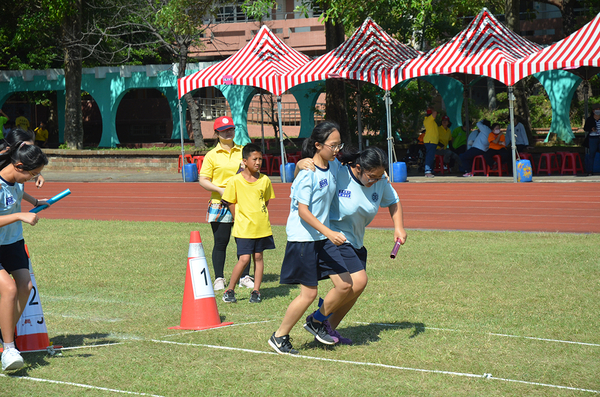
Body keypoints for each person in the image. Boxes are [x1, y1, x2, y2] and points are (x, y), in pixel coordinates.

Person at [296, 146, 407, 345]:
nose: (375, 180)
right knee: (359, 281)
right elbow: (309, 176)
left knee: (354, 290)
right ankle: (317, 319)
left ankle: (327, 328)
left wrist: (398, 227)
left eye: (379, 176)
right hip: (335, 237)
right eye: (371, 176)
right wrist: (298, 165)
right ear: (358, 168)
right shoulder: (339, 173)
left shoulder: (380, 181)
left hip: (356, 241)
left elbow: (394, 201)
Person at [268, 121, 352, 355]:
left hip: (321, 237)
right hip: (304, 238)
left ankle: (316, 321)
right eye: (333, 145)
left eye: (339, 145)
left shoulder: (333, 166)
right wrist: (329, 233)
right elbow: (303, 211)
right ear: (317, 145)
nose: (337, 150)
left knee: (345, 285)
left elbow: (355, 163)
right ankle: (279, 336)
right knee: (309, 294)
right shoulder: (308, 173)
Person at [0, 141, 49, 371]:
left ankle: (3, 332)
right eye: (32, 173)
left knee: (25, 286)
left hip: (13, 242)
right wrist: (21, 215)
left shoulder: (16, 178)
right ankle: (9, 349)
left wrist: (36, 202)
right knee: (8, 290)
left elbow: (20, 190)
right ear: (19, 165)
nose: (33, 178)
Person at [198, 116, 253, 291]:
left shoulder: (243, 150)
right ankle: (219, 278)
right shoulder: (211, 155)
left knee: (244, 241)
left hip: (241, 202)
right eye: (224, 130)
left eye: (230, 129)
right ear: (216, 133)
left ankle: (245, 277)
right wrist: (222, 191)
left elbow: (251, 172)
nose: (228, 132)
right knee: (220, 242)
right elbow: (203, 179)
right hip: (219, 203)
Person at [221, 143, 275, 304]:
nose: (258, 162)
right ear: (244, 161)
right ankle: (230, 289)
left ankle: (256, 291)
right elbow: (230, 201)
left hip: (261, 227)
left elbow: (265, 201)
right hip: (244, 228)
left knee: (258, 257)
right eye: (254, 159)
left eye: (260, 159)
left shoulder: (265, 180)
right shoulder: (235, 181)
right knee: (244, 259)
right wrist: (238, 217)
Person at [583, 104, 600, 175]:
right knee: (591, 155)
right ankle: (590, 171)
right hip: (593, 138)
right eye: (597, 109)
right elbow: (585, 128)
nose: (598, 111)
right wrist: (591, 129)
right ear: (593, 111)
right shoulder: (590, 119)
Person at [422, 108, 438, 178]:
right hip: (430, 141)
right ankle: (427, 171)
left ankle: (430, 170)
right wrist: (432, 108)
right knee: (429, 156)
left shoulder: (430, 121)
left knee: (431, 156)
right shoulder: (429, 120)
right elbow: (435, 113)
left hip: (432, 141)